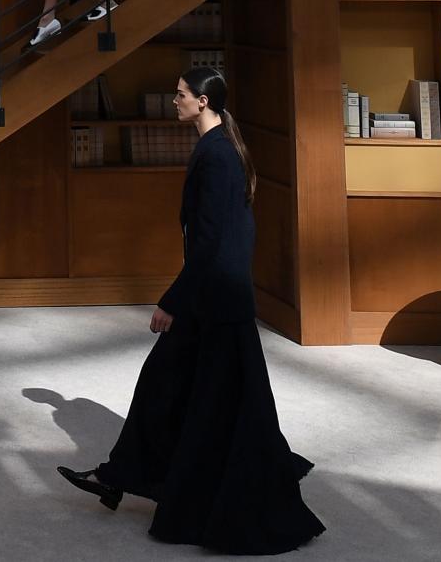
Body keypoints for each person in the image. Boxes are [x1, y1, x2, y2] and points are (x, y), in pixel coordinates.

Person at [56, 68, 323, 555]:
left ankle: (124, 478)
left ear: (202, 102)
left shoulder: (219, 155)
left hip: (213, 302)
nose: (172, 101)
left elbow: (213, 241)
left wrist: (172, 301)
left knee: (200, 398)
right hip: (219, 298)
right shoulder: (219, 147)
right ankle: (117, 477)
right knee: (187, 394)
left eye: (179, 95)